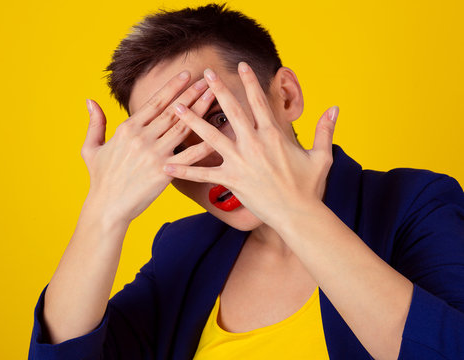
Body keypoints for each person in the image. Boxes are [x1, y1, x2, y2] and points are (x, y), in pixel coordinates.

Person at [28, 3, 464, 359]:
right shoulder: (182, 251)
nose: (211, 155)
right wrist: (102, 213)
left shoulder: (417, 203)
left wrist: (295, 211)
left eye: (219, 117)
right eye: (175, 142)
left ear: (287, 95)